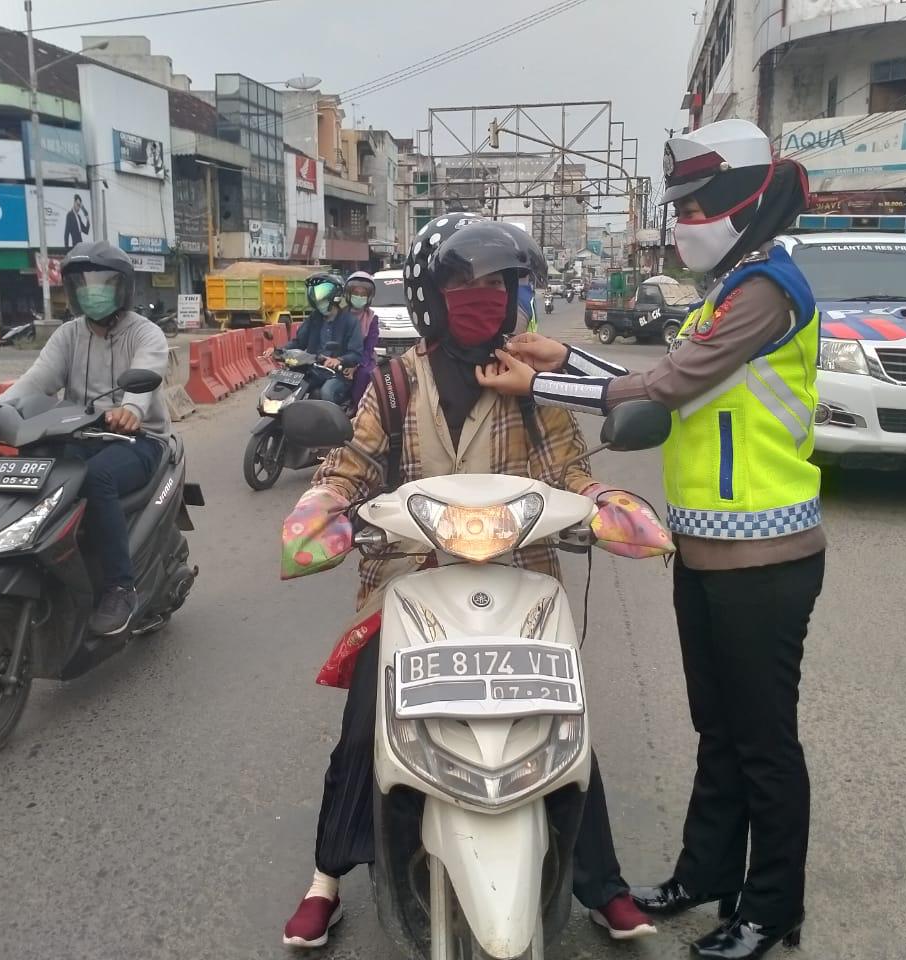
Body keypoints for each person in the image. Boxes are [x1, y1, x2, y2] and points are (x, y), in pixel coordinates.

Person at [478, 119, 824, 960]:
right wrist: (565, 353)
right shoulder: (727, 289)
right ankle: (707, 873)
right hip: (705, 547)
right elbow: (652, 379)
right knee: (718, 725)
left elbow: (666, 385)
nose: (683, 221)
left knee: (763, 740)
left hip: (766, 557)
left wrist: (547, 378)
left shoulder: (765, 291)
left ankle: (773, 905)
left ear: (743, 200)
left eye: (696, 204)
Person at [280, 214, 673, 950]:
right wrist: (322, 509)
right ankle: (327, 878)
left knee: (563, 725)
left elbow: (571, 472)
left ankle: (601, 884)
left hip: (520, 581)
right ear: (433, 295)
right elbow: (350, 467)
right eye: (463, 284)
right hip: (409, 583)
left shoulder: (530, 380)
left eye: (496, 283)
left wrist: (605, 506)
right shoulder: (396, 383)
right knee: (365, 721)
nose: (481, 297)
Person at [0, 241, 170, 636]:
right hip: (79, 433)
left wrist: (131, 409)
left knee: (96, 478)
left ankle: (120, 587)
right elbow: (37, 380)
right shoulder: (68, 335)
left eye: (102, 283)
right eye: (82, 284)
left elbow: (147, 371)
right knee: (30, 464)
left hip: (138, 440)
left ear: (123, 287)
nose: (92, 291)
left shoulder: (146, 333)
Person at [283, 273, 363, 407]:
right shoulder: (314, 319)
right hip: (313, 370)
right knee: (289, 388)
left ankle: (331, 426)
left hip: (338, 374)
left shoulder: (350, 322)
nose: (320, 304)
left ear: (335, 296)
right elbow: (298, 342)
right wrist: (280, 351)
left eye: (323, 299)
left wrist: (339, 360)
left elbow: (356, 353)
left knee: (326, 392)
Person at [343, 270, 378, 409]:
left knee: (364, 374)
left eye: (363, 295)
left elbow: (369, 347)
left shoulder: (372, 318)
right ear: (348, 294)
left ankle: (358, 408)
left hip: (363, 359)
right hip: (340, 356)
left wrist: (354, 366)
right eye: (356, 293)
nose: (359, 297)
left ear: (369, 297)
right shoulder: (340, 315)